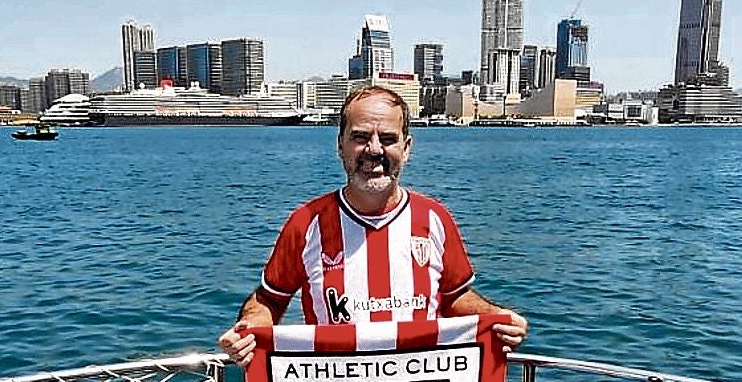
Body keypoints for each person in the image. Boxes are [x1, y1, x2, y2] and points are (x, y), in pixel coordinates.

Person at [218, 85, 528, 367]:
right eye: (361, 137)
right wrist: (249, 331)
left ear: (406, 148)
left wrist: (495, 318)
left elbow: (454, 297)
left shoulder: (435, 219)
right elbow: (270, 298)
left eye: (388, 139)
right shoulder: (306, 223)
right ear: (340, 146)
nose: (374, 150)